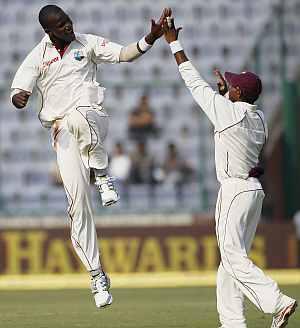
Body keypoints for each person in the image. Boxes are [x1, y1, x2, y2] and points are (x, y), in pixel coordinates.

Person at [10, 4, 171, 308]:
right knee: (77, 204)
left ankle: (101, 172)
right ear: (48, 31)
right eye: (60, 25)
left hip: (93, 119)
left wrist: (149, 39)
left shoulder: (88, 43)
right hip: (63, 133)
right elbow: (18, 89)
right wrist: (19, 97)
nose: (68, 27)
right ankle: (97, 274)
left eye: (68, 21)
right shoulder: (37, 56)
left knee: (80, 114)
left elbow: (125, 54)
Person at [162, 17, 297, 328]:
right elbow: (236, 113)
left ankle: (277, 302)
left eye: (233, 86)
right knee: (229, 263)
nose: (229, 86)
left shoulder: (229, 113)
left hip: (235, 190)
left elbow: (193, 82)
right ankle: (233, 323)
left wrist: (173, 42)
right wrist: (227, 95)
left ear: (237, 93)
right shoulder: (260, 118)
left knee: (233, 258)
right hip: (254, 193)